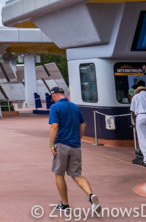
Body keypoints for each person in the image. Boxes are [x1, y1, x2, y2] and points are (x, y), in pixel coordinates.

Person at [48, 87, 101, 215]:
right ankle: (91, 195)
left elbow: (54, 126)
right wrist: (79, 138)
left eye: (52, 98)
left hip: (62, 144)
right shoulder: (75, 107)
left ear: (54, 95)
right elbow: (83, 125)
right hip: (76, 146)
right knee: (76, 174)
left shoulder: (55, 108)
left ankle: (65, 205)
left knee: (59, 173)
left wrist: (51, 144)